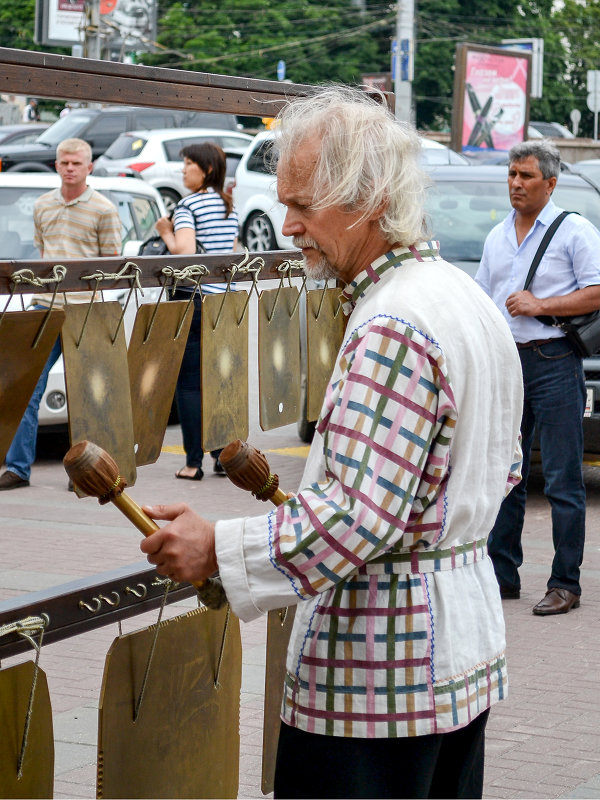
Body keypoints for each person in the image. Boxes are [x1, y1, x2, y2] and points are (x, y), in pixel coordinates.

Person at [138, 87, 524, 799]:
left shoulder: (393, 323)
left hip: (378, 681)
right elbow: (503, 469)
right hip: (456, 656)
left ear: (371, 198)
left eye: (304, 207)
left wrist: (217, 548)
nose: (286, 226)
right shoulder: (462, 296)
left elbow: (357, 516)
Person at [476, 140, 600, 616]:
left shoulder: (575, 231)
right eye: (511, 174)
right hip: (508, 364)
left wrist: (542, 305)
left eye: (526, 176)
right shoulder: (497, 236)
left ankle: (566, 583)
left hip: (554, 363)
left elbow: (595, 291)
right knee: (507, 476)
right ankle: (502, 576)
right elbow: (486, 301)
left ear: (550, 183)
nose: (516, 183)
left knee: (563, 480)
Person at [0, 138, 121, 491]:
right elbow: (42, 251)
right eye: (64, 162)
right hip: (45, 307)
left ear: (89, 167)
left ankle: (85, 471)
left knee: (88, 393)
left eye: (76, 163)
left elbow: (111, 263)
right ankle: (19, 468)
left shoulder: (103, 209)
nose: (70, 168)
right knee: (26, 389)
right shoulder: (42, 205)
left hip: (86, 311)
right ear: (56, 165)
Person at [155, 142, 238, 482]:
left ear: (205, 170)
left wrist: (165, 231)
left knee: (189, 385)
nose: (182, 169)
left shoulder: (188, 205)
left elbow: (185, 255)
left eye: (188, 163)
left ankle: (192, 463)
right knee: (218, 380)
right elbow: (229, 251)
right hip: (223, 302)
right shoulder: (228, 204)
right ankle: (221, 455)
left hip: (194, 299)